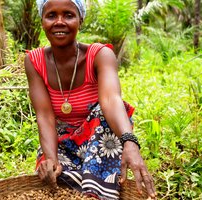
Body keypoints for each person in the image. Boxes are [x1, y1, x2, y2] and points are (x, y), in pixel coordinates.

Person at [24, 0, 157, 199]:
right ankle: (90, 184)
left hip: (100, 143)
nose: (59, 22)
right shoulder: (34, 61)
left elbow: (111, 100)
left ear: (81, 20)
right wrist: (51, 158)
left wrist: (130, 142)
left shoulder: (100, 55)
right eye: (51, 15)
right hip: (62, 143)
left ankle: (96, 192)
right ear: (42, 21)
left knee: (102, 112)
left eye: (68, 15)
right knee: (53, 175)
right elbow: (44, 115)